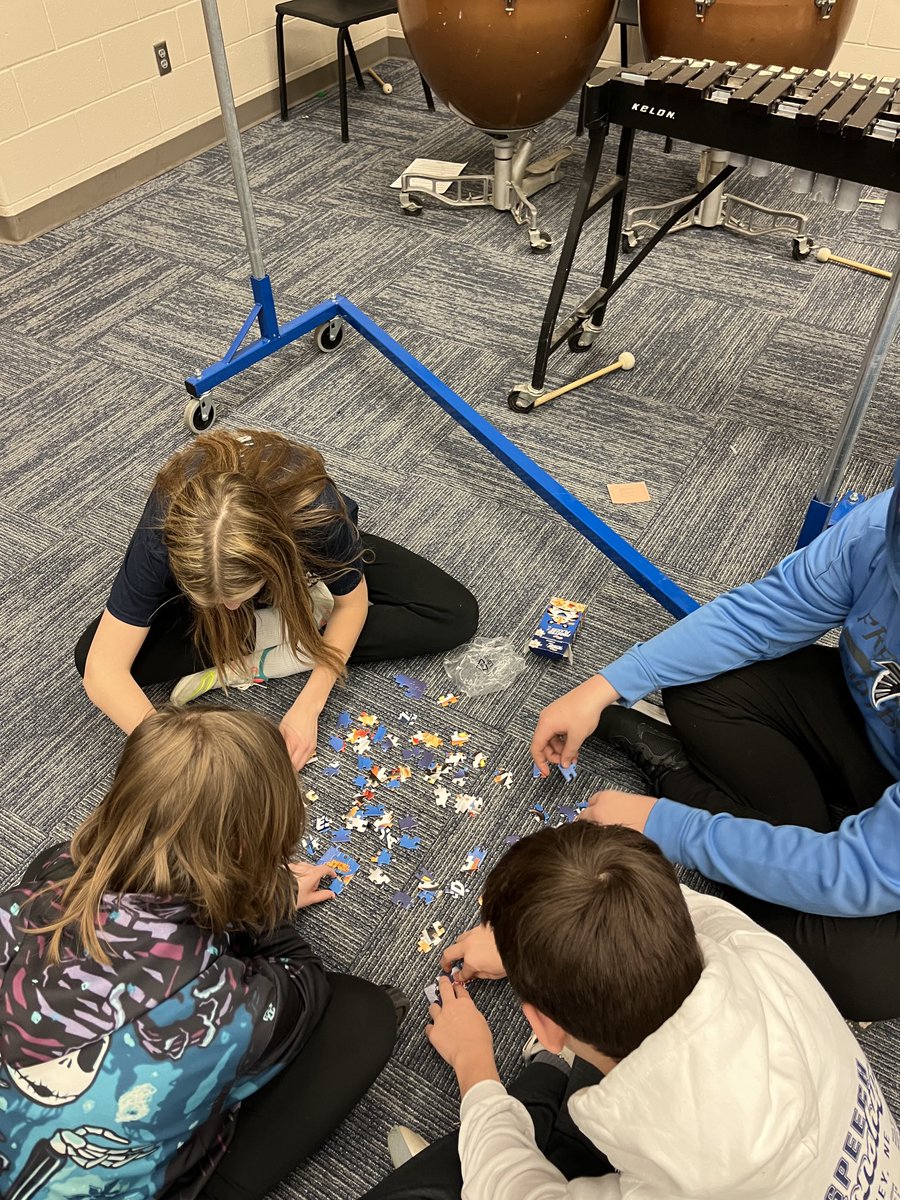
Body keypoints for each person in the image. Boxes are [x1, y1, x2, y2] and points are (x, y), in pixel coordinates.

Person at [530, 461, 900, 1019]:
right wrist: (606, 686)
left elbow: (864, 870)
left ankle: (683, 783)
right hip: (873, 735)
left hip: (883, 858)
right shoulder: (879, 528)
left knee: (850, 976)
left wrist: (668, 826)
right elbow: (756, 617)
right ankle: (789, 848)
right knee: (701, 683)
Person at [360, 822, 899, 1200]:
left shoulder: (689, 1168)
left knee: (458, 1178)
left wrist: (474, 1066)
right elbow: (668, 907)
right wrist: (529, 942)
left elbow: (511, 1191)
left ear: (543, 1025)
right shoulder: (755, 948)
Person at [0, 705, 402, 1200]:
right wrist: (267, 901)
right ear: (249, 855)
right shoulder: (229, 1005)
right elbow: (305, 982)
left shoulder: (40, 888)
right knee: (364, 1014)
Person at [75, 428, 479, 768]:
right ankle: (288, 631)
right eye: (216, 601)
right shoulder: (164, 528)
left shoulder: (317, 514)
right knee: (91, 654)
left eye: (238, 598)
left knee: (452, 614)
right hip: (247, 570)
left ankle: (270, 634)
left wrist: (309, 706)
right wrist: (181, 758)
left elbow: (352, 605)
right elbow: (103, 670)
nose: (231, 608)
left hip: (305, 551)